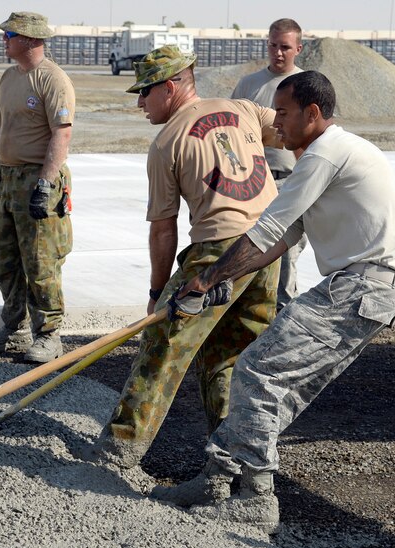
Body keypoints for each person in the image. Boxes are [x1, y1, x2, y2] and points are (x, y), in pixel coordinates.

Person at [151, 71, 395, 533]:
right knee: (276, 385)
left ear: (313, 113)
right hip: (363, 288)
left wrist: (205, 277)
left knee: (256, 370)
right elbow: (284, 237)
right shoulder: (329, 153)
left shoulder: (325, 153)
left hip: (360, 288)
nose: (277, 123)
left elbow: (270, 230)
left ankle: (255, 500)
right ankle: (217, 479)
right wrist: (222, 282)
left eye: (286, 113)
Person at [84, 45, 282, 468]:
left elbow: (163, 228)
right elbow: (291, 130)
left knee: (163, 345)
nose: (139, 103)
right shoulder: (243, 108)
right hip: (269, 247)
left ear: (171, 87)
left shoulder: (167, 141)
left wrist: (158, 292)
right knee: (233, 356)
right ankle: (235, 460)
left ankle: (117, 451)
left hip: (219, 252)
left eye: (145, 93)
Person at [0, 11, 75, 364]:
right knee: (5, 258)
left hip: (37, 178)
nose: (4, 40)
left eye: (10, 34)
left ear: (30, 39)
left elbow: (62, 134)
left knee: (40, 261)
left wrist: (45, 184)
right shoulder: (8, 77)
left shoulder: (53, 80)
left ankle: (48, 335)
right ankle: (13, 330)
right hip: (6, 179)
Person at [231, 18, 306, 312]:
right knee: (245, 252)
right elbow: (231, 131)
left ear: (298, 48)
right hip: (255, 183)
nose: (278, 52)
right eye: (273, 45)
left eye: (285, 47)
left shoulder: (308, 85)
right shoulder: (248, 85)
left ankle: (283, 321)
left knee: (286, 258)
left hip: (292, 183)